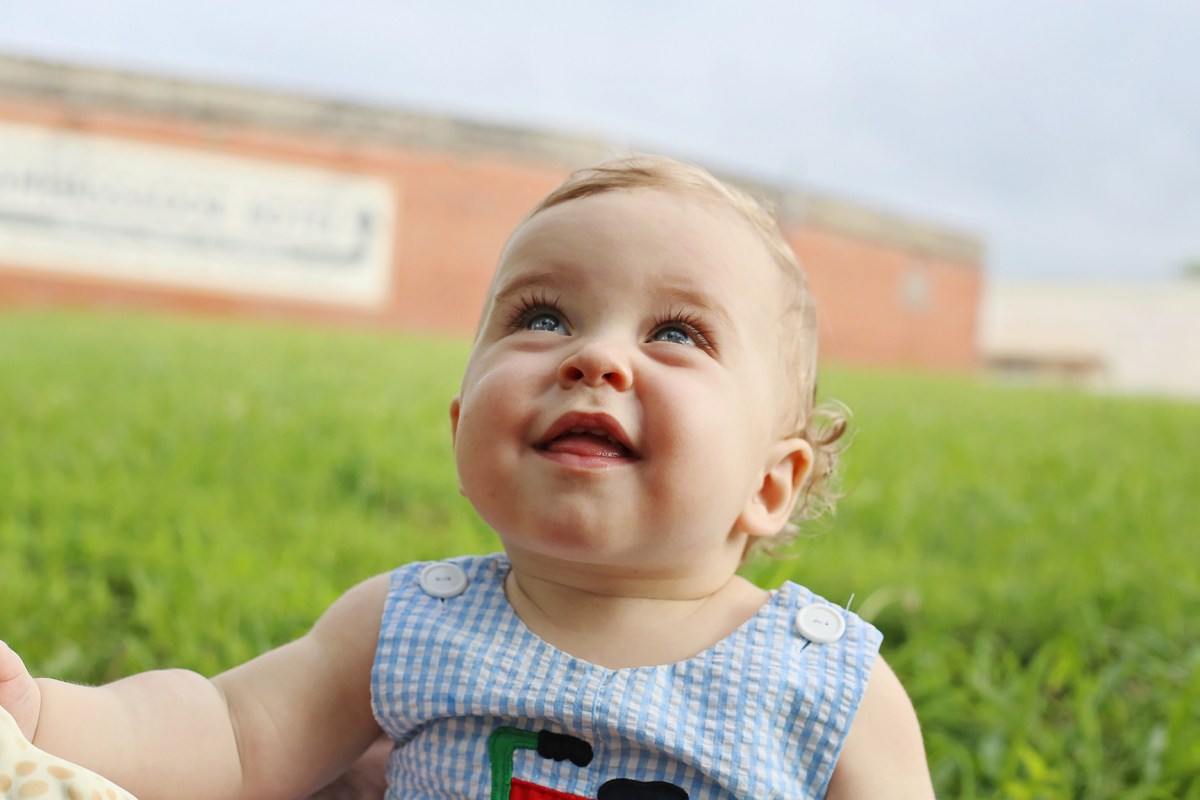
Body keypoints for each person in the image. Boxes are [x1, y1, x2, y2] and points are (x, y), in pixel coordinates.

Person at [0, 155, 933, 799]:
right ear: (461, 433)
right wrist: (43, 716)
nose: (595, 357)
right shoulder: (409, 625)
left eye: (676, 333)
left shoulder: (830, 691)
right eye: (541, 317)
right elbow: (234, 734)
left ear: (771, 484)